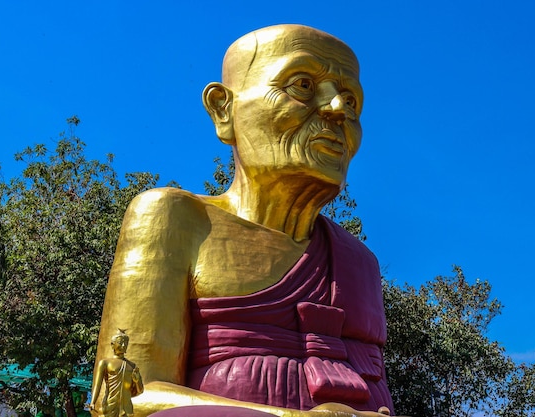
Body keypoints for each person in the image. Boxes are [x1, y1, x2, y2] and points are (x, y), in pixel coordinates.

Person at [94, 24, 395, 417]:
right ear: (224, 109)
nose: (338, 110)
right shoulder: (176, 218)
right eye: (303, 84)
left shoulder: (359, 263)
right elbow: (124, 400)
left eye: (351, 101)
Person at [90, 330, 144, 417]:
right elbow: (98, 385)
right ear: (112, 345)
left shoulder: (132, 366)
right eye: (120, 343)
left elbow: (140, 391)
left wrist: (137, 381)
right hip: (110, 403)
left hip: (127, 407)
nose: (123, 345)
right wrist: (93, 402)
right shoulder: (105, 363)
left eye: (126, 343)